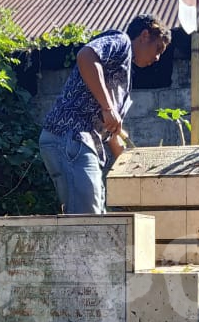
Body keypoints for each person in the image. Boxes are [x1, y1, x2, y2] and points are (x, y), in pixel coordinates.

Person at [39, 15, 170, 214]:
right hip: (71, 136)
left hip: (76, 142)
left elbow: (112, 133)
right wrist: (108, 108)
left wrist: (133, 168)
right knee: (88, 220)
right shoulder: (121, 41)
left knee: (97, 215)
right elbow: (86, 56)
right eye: (158, 49)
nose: (158, 57)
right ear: (145, 35)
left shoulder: (123, 74)